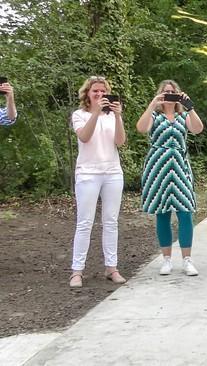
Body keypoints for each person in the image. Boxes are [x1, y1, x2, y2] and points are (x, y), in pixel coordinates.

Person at [136, 80, 204, 276]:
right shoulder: (155, 116)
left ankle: (187, 259)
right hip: (158, 167)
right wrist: (152, 104)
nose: (169, 95)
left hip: (181, 167)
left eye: (172, 92)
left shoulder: (183, 117)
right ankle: (166, 259)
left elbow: (197, 129)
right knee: (162, 213)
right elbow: (141, 127)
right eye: (165, 92)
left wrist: (190, 107)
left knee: (185, 212)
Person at [69, 76, 127, 288]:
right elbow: (84, 137)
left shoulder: (112, 116)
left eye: (103, 91)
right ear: (88, 93)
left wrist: (118, 117)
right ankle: (77, 271)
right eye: (96, 91)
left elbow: (120, 141)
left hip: (112, 172)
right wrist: (95, 113)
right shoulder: (79, 115)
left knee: (111, 222)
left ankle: (112, 267)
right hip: (88, 173)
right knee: (85, 223)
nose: (100, 95)